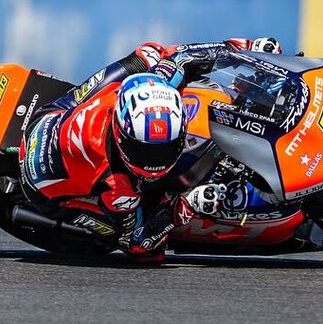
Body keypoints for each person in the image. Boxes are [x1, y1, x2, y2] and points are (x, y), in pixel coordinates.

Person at [19, 37, 284, 264]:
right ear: (123, 137)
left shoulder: (159, 83)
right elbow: (140, 244)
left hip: (59, 116)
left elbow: (183, 56)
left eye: (166, 148)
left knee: (148, 56)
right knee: (144, 251)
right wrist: (186, 205)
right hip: (46, 187)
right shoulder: (117, 187)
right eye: (146, 152)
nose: (157, 161)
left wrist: (249, 50)